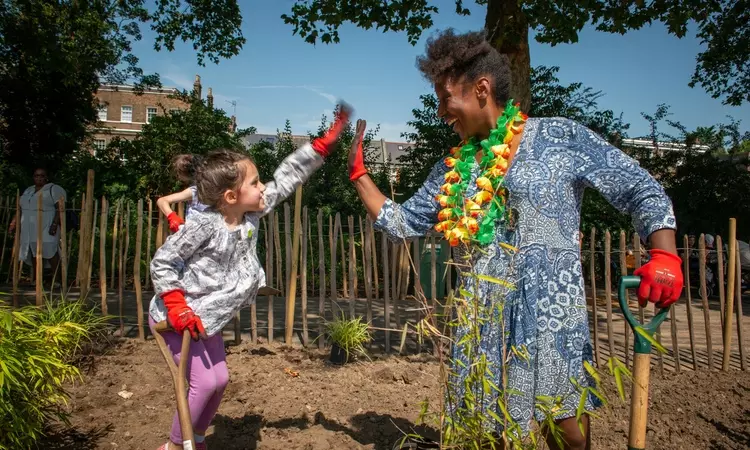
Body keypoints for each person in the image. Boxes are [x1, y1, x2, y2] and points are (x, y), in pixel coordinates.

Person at [348, 29, 682, 450]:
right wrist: (360, 177)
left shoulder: (560, 138)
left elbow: (638, 186)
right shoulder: (453, 167)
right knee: (487, 435)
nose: (439, 111)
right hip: (480, 319)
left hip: (551, 317)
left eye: (445, 97)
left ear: (481, 89)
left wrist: (665, 254)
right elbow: (404, 222)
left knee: (568, 434)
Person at [148, 104, 351, 450]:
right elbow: (163, 263)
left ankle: (195, 439)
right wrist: (177, 305)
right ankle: (173, 445)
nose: (262, 188)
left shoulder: (249, 214)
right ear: (230, 197)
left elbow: (286, 179)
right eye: (255, 183)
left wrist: (320, 148)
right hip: (177, 319)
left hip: (206, 319)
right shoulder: (203, 226)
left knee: (220, 380)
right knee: (203, 384)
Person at [9, 168, 66, 282]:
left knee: (51, 250)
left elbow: (60, 208)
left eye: (42, 175)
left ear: (46, 177)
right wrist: (13, 223)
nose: (39, 178)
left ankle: (57, 280)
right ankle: (37, 279)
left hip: (47, 224)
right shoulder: (29, 190)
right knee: (35, 252)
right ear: (33, 177)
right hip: (30, 227)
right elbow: (20, 208)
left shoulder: (54, 189)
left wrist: (55, 224)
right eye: (36, 175)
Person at [156, 154, 210, 233]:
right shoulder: (213, 187)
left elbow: (162, 201)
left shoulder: (194, 191)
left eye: (178, 173)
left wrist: (171, 216)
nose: (178, 177)